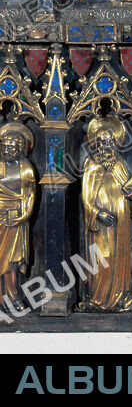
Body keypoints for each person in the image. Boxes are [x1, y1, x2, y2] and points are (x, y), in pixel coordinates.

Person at [80, 116, 132, 312]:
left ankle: (118, 297)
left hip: (121, 224)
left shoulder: (120, 164)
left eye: (110, 142)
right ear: (96, 144)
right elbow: (86, 197)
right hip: (100, 226)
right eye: (102, 142)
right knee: (102, 258)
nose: (106, 146)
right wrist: (97, 213)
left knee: (118, 258)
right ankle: (98, 298)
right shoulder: (91, 166)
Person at [0, 122, 35, 314]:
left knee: (11, 263)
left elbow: (29, 197)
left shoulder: (26, 169)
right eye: (4, 147)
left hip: (15, 223)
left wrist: (22, 216)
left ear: (20, 149)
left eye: (11, 148)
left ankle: (12, 298)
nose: (7, 151)